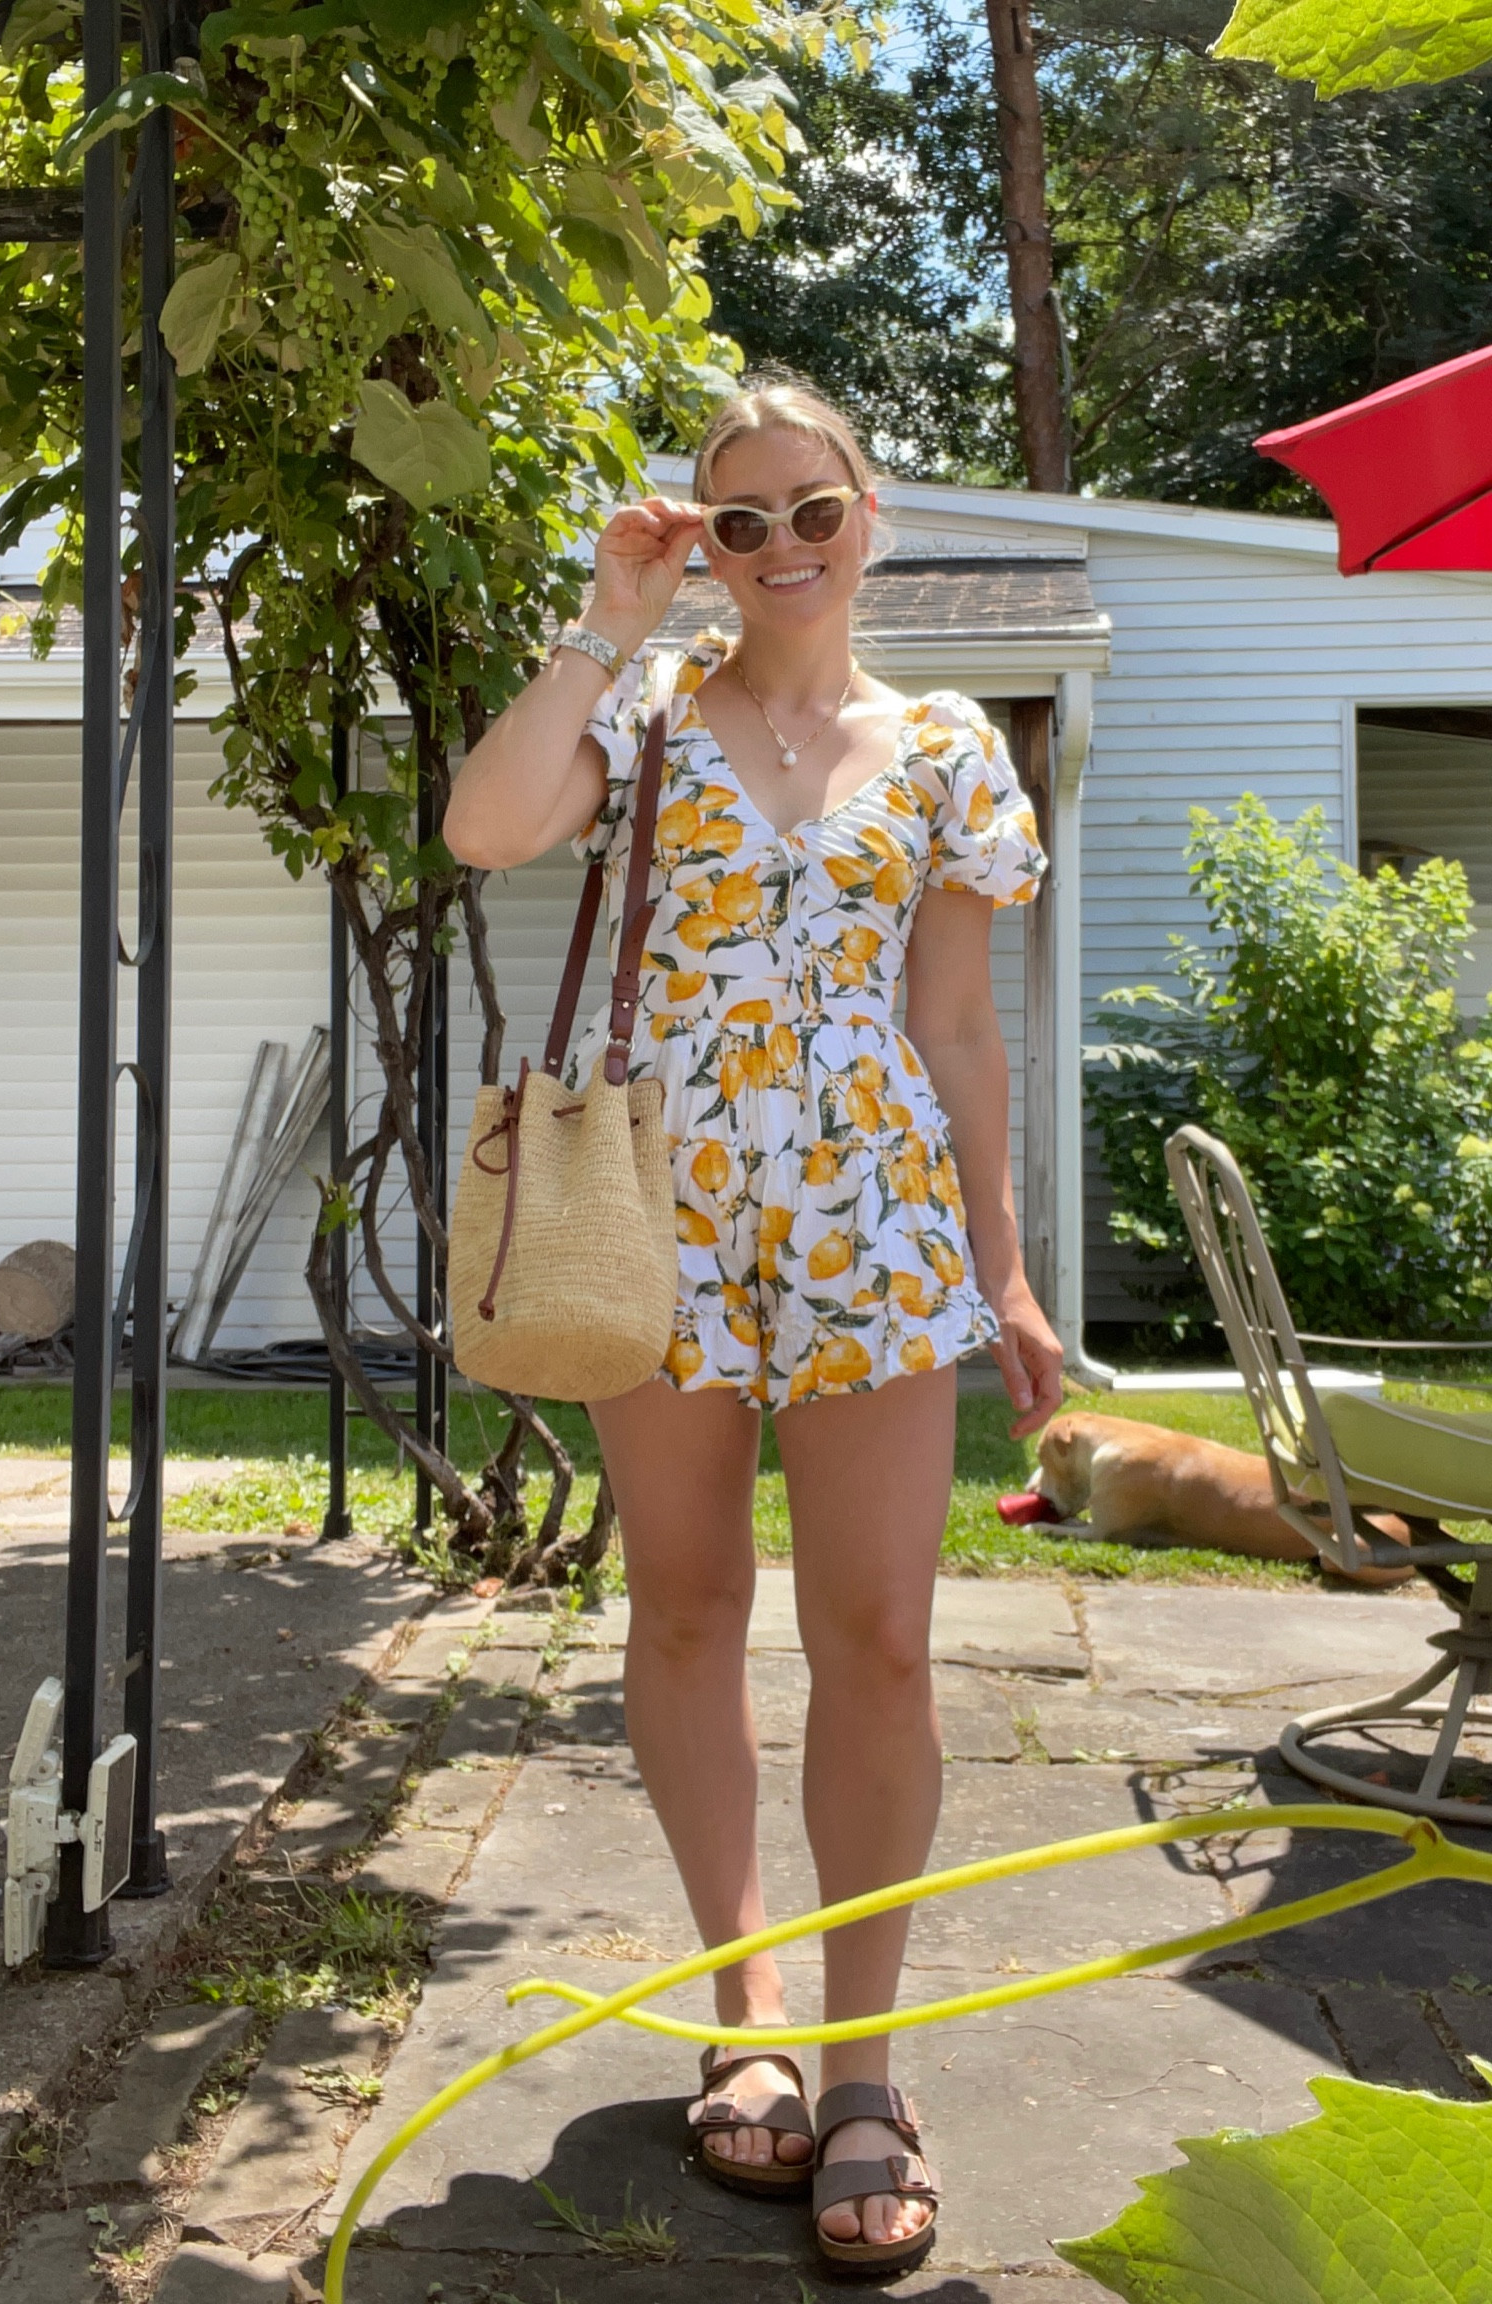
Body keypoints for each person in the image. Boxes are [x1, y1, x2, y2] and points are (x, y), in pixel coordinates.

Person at [445, 379, 1063, 2275]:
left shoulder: (951, 747)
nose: (784, 547)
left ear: (871, 514)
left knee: (878, 1637)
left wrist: (1010, 1267)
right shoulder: (638, 718)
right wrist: (604, 619)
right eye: (742, 521)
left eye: (815, 509)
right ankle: (745, 2008)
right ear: (700, 540)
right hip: (668, 1219)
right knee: (690, 1606)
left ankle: (867, 2069)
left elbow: (955, 1029)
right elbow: (482, 830)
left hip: (874, 1225)